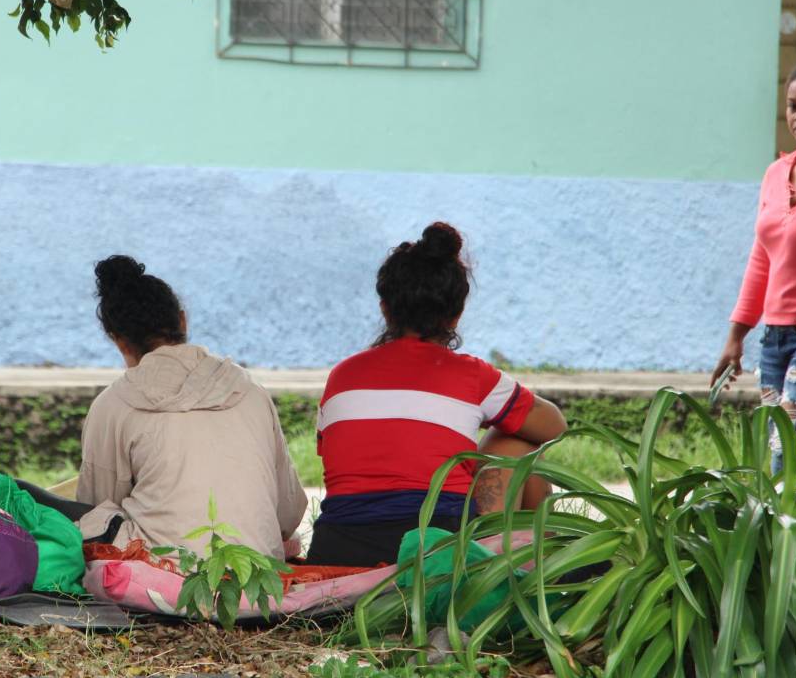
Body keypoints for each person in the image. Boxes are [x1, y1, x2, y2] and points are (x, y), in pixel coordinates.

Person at [305, 223, 568, 567]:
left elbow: (332, 453)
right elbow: (555, 428)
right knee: (519, 441)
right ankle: (538, 571)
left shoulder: (343, 375)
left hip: (340, 548)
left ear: (384, 308)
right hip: (438, 548)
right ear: (456, 316)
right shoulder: (473, 375)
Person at [76, 255, 308, 560]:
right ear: (182, 320)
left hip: (163, 582)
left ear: (118, 340)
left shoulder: (113, 404)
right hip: (259, 580)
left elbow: (96, 511)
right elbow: (289, 514)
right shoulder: (251, 391)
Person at [711, 58, 796, 471]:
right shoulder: (775, 174)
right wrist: (737, 335)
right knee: (777, 448)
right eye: (793, 106)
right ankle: (782, 535)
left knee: (794, 450)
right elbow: (761, 258)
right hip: (774, 340)